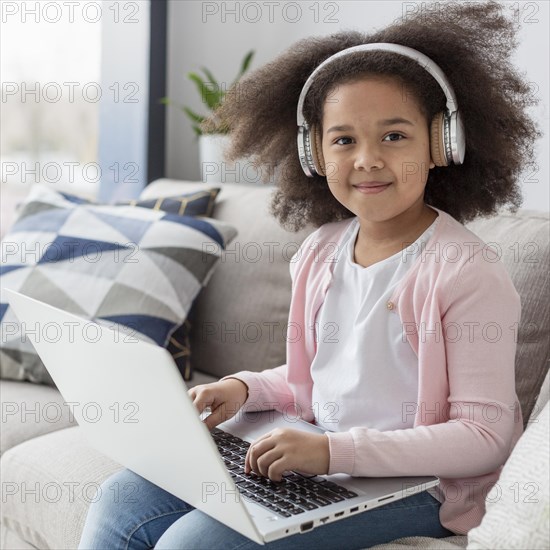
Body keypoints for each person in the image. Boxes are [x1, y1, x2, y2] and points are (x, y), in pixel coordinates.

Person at [78, 2, 540, 549]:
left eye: (394, 136)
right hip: (323, 451)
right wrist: (243, 389)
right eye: (344, 139)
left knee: (193, 543)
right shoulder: (321, 252)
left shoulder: (467, 272)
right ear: (313, 152)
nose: (367, 159)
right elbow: (311, 382)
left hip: (418, 486)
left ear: (441, 145)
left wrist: (331, 453)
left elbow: (483, 437)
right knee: (121, 500)